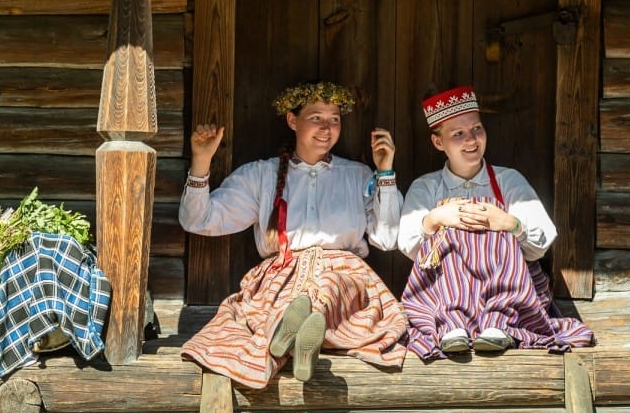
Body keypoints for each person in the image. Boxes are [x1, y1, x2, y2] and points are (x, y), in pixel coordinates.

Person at [179, 81, 407, 388]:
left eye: (335, 119)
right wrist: (201, 161)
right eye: (316, 117)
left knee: (326, 285)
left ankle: (296, 333)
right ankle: (292, 333)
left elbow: (388, 238)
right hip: (281, 277)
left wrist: (385, 173)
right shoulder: (260, 176)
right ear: (292, 120)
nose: (327, 128)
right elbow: (199, 220)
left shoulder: (358, 176)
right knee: (285, 301)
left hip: (346, 280)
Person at [398, 85, 594, 359]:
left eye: (477, 129)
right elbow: (408, 246)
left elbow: (541, 244)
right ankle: (452, 325)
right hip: (445, 293)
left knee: (498, 227)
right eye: (458, 134)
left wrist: (509, 224)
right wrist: (435, 219)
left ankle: (498, 323)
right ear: (438, 143)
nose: (472, 140)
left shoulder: (508, 180)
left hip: (509, 293)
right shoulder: (427, 187)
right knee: (453, 231)